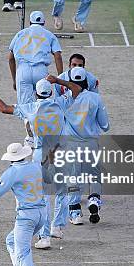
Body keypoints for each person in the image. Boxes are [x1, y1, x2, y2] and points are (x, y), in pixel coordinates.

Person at [0, 79, 79, 249]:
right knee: (62, 191)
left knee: (42, 196)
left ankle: (44, 237)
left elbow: (4, 108)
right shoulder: (60, 103)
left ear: (36, 94)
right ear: (51, 92)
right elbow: (76, 89)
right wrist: (57, 80)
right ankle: (57, 226)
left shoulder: (30, 108)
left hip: (40, 154)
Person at [51, 68, 110, 225]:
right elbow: (105, 126)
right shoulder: (95, 98)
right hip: (91, 143)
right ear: (86, 81)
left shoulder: (63, 101)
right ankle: (94, 199)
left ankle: (75, 211)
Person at [8, 11, 63, 106]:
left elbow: (10, 58)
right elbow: (57, 56)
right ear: (44, 22)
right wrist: (60, 79)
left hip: (23, 71)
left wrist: (14, 80)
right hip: (41, 71)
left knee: (25, 108)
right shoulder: (49, 34)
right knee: (43, 105)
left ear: (30, 22)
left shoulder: (20, 34)